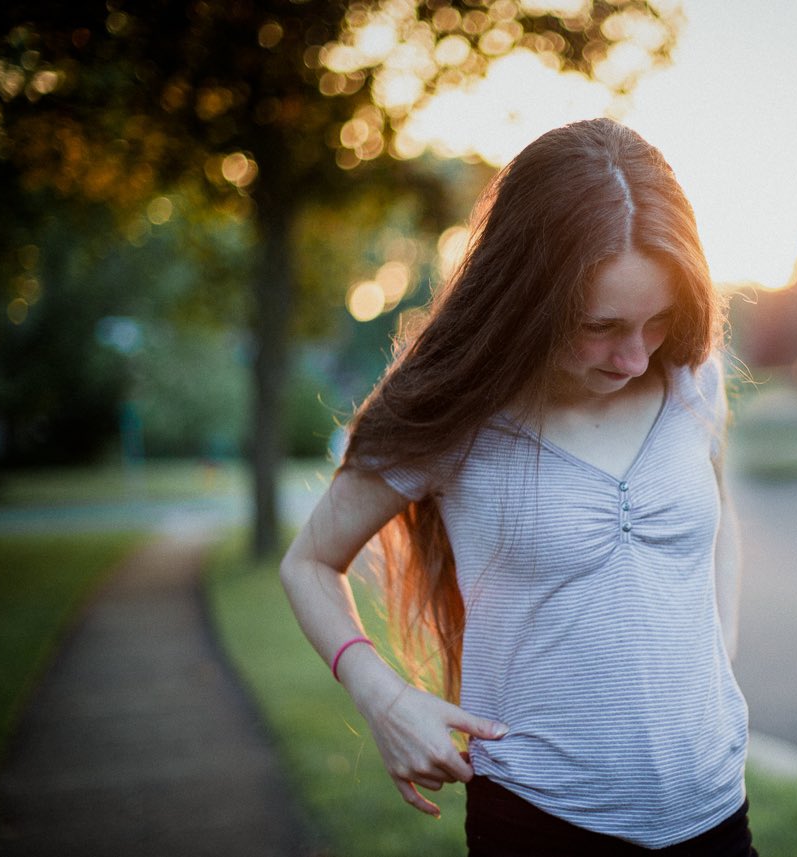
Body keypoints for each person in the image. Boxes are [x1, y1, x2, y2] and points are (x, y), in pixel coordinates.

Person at [280, 118, 754, 856]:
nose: (634, 357)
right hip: (539, 827)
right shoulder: (452, 414)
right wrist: (383, 697)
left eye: (657, 320)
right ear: (527, 297)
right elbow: (308, 562)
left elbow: (717, 515)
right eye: (600, 326)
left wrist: (715, 658)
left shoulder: (694, 377)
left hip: (717, 815)